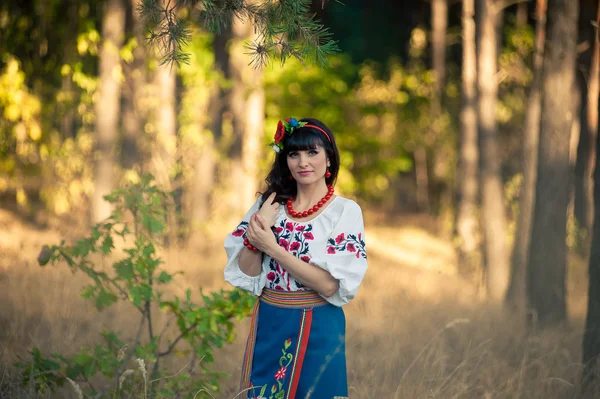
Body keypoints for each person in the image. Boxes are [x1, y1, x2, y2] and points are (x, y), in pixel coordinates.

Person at [224, 117, 368, 399]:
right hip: (270, 320)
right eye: (294, 154)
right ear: (285, 161)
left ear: (329, 160)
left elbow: (329, 286)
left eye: (312, 152)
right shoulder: (270, 205)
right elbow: (248, 274)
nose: (303, 162)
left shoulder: (344, 212)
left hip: (318, 324)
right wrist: (256, 237)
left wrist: (273, 246)